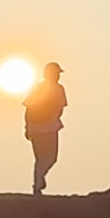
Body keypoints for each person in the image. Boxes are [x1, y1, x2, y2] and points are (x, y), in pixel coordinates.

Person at [24, 62, 67, 197]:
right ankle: (39, 180)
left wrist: (27, 127)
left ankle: (37, 184)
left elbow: (28, 109)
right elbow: (60, 108)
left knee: (40, 158)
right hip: (49, 128)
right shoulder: (58, 89)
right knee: (51, 157)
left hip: (35, 128)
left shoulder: (37, 88)